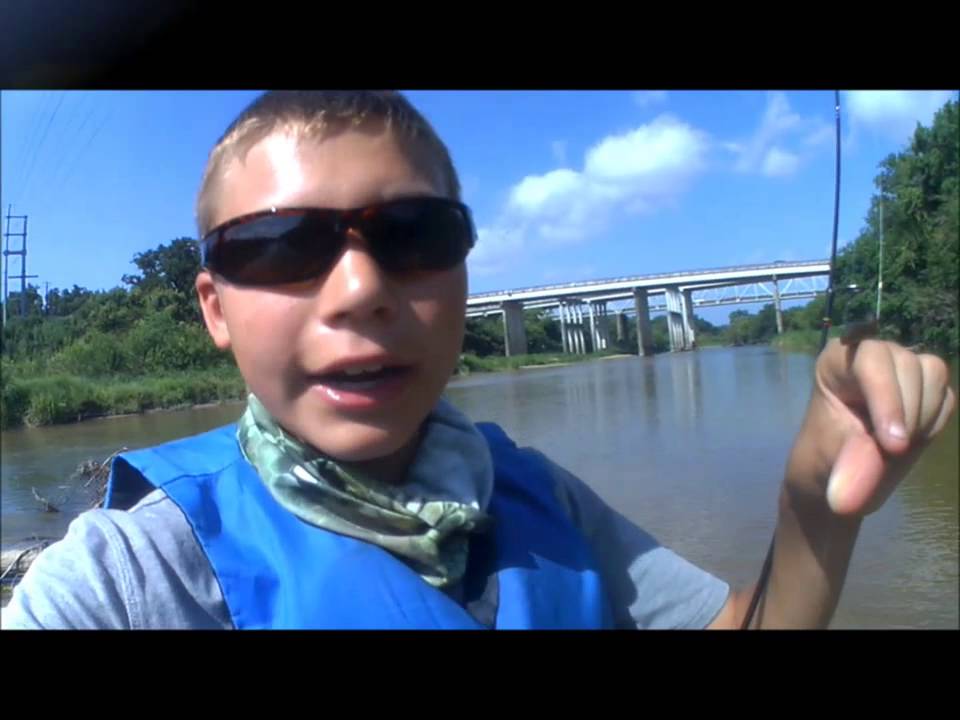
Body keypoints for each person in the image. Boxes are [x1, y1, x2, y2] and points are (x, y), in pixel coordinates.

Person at [2, 91, 955, 629]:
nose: (358, 290)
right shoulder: (132, 578)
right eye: (283, 246)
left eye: (413, 234)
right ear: (214, 308)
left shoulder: (544, 498)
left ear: (463, 271)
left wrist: (811, 511)